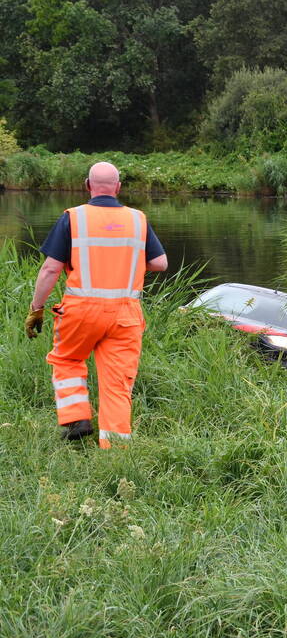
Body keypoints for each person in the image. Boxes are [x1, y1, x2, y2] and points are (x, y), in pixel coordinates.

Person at [25, 162, 168, 447]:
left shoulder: (73, 218)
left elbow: (51, 269)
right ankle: (115, 450)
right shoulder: (138, 219)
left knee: (66, 359)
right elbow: (160, 263)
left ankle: (77, 419)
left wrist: (36, 308)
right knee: (117, 382)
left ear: (87, 185)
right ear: (118, 187)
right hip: (126, 315)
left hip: (81, 311)